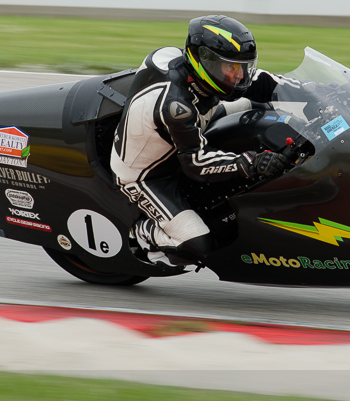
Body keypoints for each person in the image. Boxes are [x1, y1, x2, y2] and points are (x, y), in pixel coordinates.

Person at [110, 15, 289, 268]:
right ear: (206, 61)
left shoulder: (184, 64)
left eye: (242, 66)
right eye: (231, 67)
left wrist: (315, 91)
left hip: (186, 129)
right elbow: (195, 163)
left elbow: (262, 82)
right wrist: (252, 162)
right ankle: (140, 233)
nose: (239, 75)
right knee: (196, 245)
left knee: (261, 106)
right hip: (147, 175)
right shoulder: (176, 106)